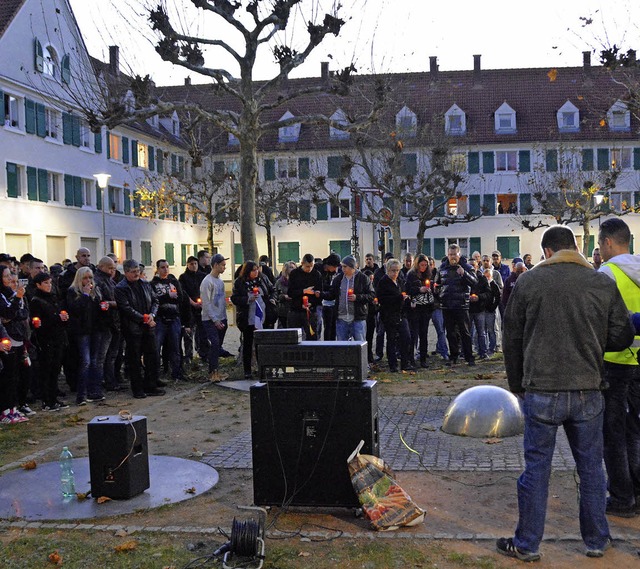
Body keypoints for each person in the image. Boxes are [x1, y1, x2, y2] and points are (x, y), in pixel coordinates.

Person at [497, 225, 634, 561]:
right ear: (575, 247)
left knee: (536, 469)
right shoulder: (601, 282)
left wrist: (518, 387)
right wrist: (593, 340)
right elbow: (622, 336)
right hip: (588, 389)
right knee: (591, 469)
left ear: (546, 252)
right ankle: (597, 540)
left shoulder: (528, 282)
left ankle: (527, 544)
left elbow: (511, 340)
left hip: (541, 389)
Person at [597, 218, 640, 518]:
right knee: (636, 432)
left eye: (600, 244)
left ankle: (622, 498)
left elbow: (601, 322)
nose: (599, 251)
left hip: (616, 363)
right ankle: (636, 489)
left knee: (613, 435)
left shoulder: (606, 273)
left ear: (609, 242)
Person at [115, 259, 165, 399]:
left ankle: (151, 385)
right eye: (133, 272)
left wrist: (152, 315)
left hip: (148, 325)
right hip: (133, 328)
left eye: (138, 271)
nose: (136, 274)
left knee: (152, 356)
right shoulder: (121, 288)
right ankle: (137, 388)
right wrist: (143, 318)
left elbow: (155, 300)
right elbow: (125, 308)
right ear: (126, 272)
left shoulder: (145, 284)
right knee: (134, 359)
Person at [66, 267, 107, 405]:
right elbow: (75, 310)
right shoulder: (73, 292)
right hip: (81, 331)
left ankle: (94, 391)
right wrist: (84, 295)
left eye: (90, 277)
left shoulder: (96, 290)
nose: (88, 280)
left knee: (95, 361)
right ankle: (81, 394)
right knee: (86, 361)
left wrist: (103, 306)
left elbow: (97, 311)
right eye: (85, 278)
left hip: (95, 329)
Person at [29, 272, 70, 410]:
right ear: (38, 285)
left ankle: (53, 398)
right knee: (47, 370)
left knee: (55, 370)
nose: (49, 285)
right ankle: (47, 400)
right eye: (46, 283)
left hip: (57, 337)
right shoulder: (36, 301)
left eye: (50, 283)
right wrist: (58, 318)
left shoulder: (53, 298)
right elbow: (38, 324)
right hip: (46, 340)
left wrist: (63, 318)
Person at [435, 244, 477, 366]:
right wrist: (437, 292)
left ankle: (469, 357)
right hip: (447, 306)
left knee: (465, 332)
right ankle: (453, 356)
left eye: (455, 254)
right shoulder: (442, 268)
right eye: (450, 254)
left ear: (459, 255)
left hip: (461, 305)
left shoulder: (467, 267)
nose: (452, 257)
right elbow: (437, 284)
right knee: (450, 333)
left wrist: (464, 274)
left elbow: (475, 283)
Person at [151, 259, 191, 382]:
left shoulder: (174, 282)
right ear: (157, 269)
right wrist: (167, 296)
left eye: (167, 266)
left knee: (175, 346)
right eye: (163, 267)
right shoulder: (153, 284)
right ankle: (155, 374)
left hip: (174, 317)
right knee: (156, 347)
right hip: (160, 319)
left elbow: (180, 298)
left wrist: (171, 298)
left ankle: (177, 372)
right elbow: (154, 300)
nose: (166, 269)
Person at [0, 266, 30, 423]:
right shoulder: (3, 296)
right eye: (6, 276)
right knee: (7, 377)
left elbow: (20, 313)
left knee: (15, 376)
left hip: (17, 335)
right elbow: (7, 314)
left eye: (10, 275)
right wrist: (17, 298)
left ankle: (13, 408)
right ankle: (5, 411)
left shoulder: (7, 294)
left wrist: (17, 299)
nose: (10, 279)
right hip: (7, 337)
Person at [231, 261, 270, 379]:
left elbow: (271, 290)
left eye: (257, 269)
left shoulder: (262, 280)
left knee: (260, 344)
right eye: (253, 270)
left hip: (261, 316)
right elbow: (235, 298)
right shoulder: (240, 282)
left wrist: (271, 300)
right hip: (247, 317)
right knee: (248, 343)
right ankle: (247, 370)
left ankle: (262, 368)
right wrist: (247, 299)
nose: (256, 272)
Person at [322, 255, 374, 342]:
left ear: (352, 267)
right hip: (341, 318)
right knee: (342, 346)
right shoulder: (338, 279)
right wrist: (320, 294)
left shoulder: (363, 278)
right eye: (342, 266)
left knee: (359, 344)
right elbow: (332, 294)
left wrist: (357, 297)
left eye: (345, 266)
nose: (342, 268)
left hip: (358, 318)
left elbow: (371, 295)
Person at [376, 258, 413, 373]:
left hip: (401, 314)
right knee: (391, 340)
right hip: (389, 315)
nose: (395, 273)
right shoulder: (383, 282)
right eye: (393, 270)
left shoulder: (400, 281)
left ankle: (404, 363)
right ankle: (393, 365)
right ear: (388, 270)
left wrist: (407, 299)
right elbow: (382, 299)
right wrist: (399, 298)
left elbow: (404, 293)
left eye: (397, 270)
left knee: (406, 338)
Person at [93, 256, 122, 392]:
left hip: (114, 322)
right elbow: (101, 302)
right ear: (101, 267)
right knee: (103, 356)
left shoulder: (109, 281)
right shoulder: (98, 281)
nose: (112, 271)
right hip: (105, 323)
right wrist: (115, 304)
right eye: (110, 268)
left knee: (112, 355)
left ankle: (111, 379)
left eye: (113, 268)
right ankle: (101, 383)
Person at [201, 254, 230, 382]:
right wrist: (215, 320)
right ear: (216, 265)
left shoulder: (220, 281)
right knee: (215, 343)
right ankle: (212, 371)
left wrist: (223, 316)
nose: (224, 267)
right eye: (222, 265)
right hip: (210, 319)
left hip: (221, 317)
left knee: (218, 346)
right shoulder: (207, 282)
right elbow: (206, 303)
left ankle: (216, 370)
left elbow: (221, 299)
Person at [405, 254, 435, 368]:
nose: (423, 267)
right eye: (422, 265)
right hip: (415, 308)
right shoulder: (411, 275)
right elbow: (408, 289)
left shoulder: (428, 274)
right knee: (414, 334)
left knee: (424, 334)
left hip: (425, 307)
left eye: (425, 265)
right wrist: (419, 289)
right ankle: (411, 358)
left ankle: (423, 358)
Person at [287, 253, 322, 340]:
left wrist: (312, 303)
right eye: (307, 266)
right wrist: (304, 291)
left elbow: (320, 293)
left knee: (312, 336)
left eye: (311, 266)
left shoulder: (317, 274)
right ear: (302, 263)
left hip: (311, 310)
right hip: (296, 310)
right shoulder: (294, 274)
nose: (309, 269)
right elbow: (290, 292)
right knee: (294, 337)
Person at [179, 256, 208, 363]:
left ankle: (203, 353)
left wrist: (203, 303)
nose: (194, 266)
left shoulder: (203, 276)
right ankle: (188, 355)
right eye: (191, 264)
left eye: (195, 263)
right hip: (188, 308)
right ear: (187, 265)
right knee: (188, 332)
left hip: (202, 307)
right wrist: (193, 303)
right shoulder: (183, 277)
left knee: (202, 332)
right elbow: (183, 293)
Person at [317, 253, 341, 340]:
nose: (335, 269)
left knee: (332, 325)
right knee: (325, 326)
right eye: (335, 267)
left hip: (329, 300)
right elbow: (321, 285)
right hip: (319, 301)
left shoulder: (332, 273)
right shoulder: (318, 270)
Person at [483, 268, 501, 356]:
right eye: (485, 277)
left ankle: (492, 348)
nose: (487, 278)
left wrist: (493, 307)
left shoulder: (494, 285)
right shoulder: (482, 285)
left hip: (490, 311)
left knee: (491, 330)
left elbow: (498, 297)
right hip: (483, 310)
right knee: (483, 331)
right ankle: (485, 348)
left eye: (488, 276)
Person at [274, 261, 296, 329]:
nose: (293, 269)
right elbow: (275, 294)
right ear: (286, 269)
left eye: (294, 268)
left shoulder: (297, 281)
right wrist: (283, 296)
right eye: (291, 267)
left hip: (294, 309)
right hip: (283, 311)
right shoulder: (280, 282)